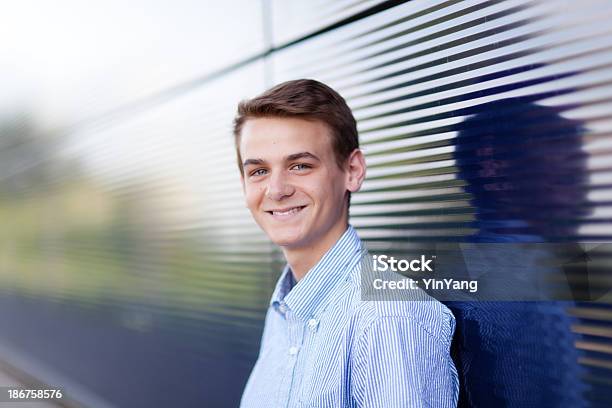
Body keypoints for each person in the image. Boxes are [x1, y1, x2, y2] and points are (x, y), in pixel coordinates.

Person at [234, 79, 459, 407]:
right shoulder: (285, 311)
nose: (276, 189)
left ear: (352, 170)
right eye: (258, 171)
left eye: (300, 166)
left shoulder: (387, 317)